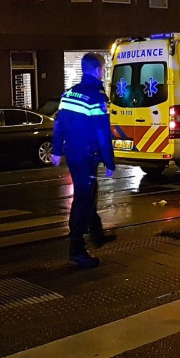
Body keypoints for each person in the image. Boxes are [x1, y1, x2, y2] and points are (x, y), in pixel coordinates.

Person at [50, 53, 116, 268]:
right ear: (98, 70)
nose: (103, 72)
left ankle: (97, 234)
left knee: (90, 193)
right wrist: (109, 161)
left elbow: (59, 124)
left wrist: (57, 150)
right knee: (83, 199)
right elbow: (102, 131)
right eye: (103, 69)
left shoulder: (69, 94)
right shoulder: (97, 96)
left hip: (73, 153)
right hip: (87, 155)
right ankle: (77, 250)